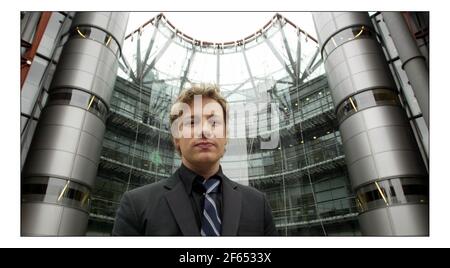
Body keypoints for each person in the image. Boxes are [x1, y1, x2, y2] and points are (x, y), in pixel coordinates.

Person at [112, 84, 277, 236]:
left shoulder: (258, 205)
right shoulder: (136, 205)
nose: (204, 130)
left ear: (226, 135)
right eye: (192, 122)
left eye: (214, 122)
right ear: (176, 138)